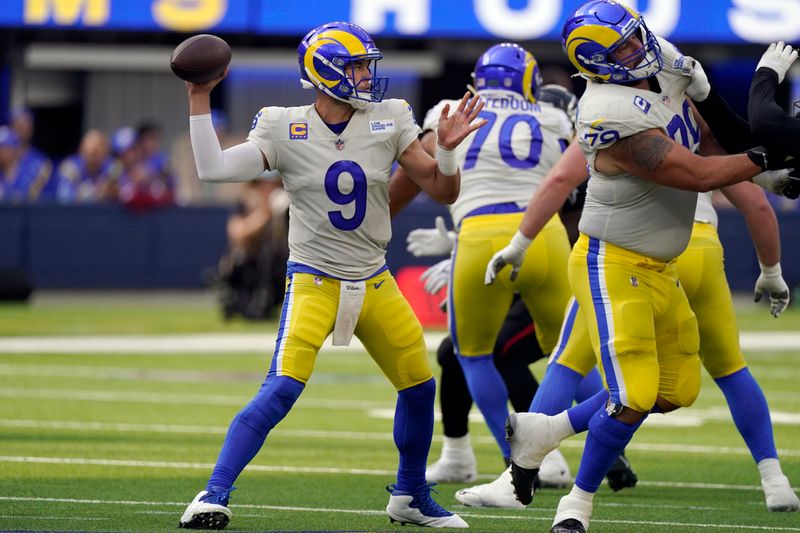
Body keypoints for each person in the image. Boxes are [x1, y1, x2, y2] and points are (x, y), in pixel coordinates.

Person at [485, 2, 796, 532]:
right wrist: (770, 156)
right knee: (629, 393)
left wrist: (760, 162)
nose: (637, 50)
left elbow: (710, 136)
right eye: (622, 48)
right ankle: (575, 505)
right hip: (612, 261)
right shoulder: (608, 110)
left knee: (676, 390)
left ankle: (548, 429)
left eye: (636, 38)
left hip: (663, 264)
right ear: (595, 64)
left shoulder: (660, 61)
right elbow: (696, 173)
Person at [177, 21, 486, 530]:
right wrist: (199, 97)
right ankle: (212, 494)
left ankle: (408, 495)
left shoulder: (391, 116)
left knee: (417, 385)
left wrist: (447, 152)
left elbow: (442, 189)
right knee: (280, 390)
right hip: (314, 278)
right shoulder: (282, 124)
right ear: (325, 72)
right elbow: (213, 169)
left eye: (368, 64)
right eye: (358, 66)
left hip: (373, 276)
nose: (368, 75)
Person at [390, 43, 580, 486]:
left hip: (479, 236)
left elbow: (409, 180)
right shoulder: (554, 118)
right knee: (574, 355)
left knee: (471, 355)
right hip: (546, 236)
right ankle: (611, 445)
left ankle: (517, 467)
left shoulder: (448, 110)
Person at [216, 175, 290, 320]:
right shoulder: (245, 204)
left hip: (279, 268)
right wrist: (264, 212)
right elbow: (237, 233)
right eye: (262, 184)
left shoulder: (287, 205)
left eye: (274, 185)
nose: (268, 189)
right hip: (250, 269)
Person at [55, 129, 116, 203]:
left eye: (96, 152)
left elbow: (124, 192)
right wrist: (94, 193)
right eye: (88, 152)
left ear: (105, 152)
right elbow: (65, 198)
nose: (92, 157)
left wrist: (114, 191)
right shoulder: (70, 167)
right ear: (81, 150)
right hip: (76, 213)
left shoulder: (113, 167)